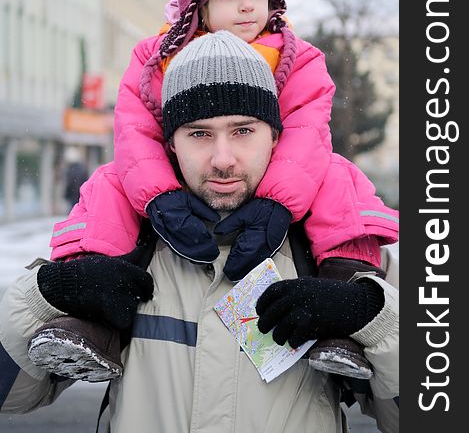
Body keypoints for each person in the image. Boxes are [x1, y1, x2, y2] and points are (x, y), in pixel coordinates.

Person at [29, 0, 398, 381]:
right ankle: (90, 315)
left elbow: (307, 135)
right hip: (169, 187)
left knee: (338, 177)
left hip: (289, 184)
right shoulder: (157, 57)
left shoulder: (295, 57)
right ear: (196, 6)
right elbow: (136, 134)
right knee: (109, 185)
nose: (248, 5)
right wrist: (159, 196)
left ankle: (343, 297)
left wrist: (276, 203)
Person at [0, 32, 399, 433]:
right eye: (199, 134)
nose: (223, 159)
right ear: (171, 142)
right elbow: (11, 396)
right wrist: (46, 296)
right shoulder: (121, 240)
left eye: (243, 130)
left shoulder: (341, 250)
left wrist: (373, 321)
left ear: (275, 136)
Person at [62, 147, 88, 211]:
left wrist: (66, 194)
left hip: (73, 196)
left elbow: (69, 184)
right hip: (81, 195)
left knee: (73, 213)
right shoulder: (82, 168)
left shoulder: (70, 170)